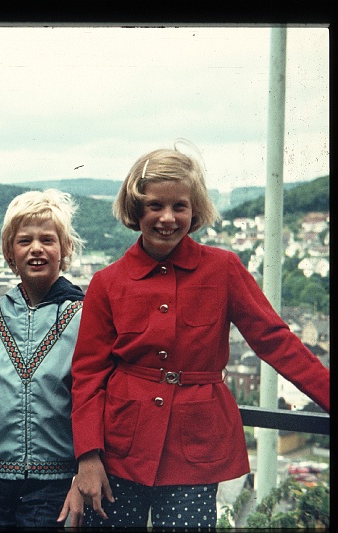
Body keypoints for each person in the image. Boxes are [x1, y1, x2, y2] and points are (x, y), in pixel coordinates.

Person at [69, 140, 331, 529]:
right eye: (155, 205)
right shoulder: (107, 282)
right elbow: (87, 375)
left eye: (180, 206)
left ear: (195, 210)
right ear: (135, 208)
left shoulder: (223, 268)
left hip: (195, 449)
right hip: (120, 449)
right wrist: (88, 457)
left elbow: (275, 340)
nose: (167, 217)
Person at [0, 189, 86, 529]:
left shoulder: (83, 317)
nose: (36, 248)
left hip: (54, 483)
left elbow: (92, 399)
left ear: (65, 249)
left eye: (48, 239)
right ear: (10, 253)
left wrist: (80, 478)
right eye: (24, 241)